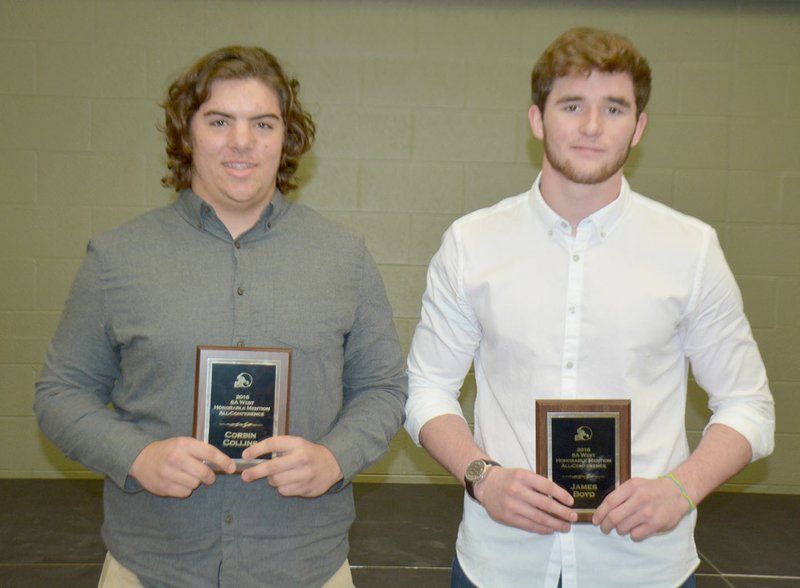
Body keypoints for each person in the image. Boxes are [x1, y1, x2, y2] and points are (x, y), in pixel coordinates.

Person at [404, 27, 775, 588]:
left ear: (639, 128)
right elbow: (427, 388)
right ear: (537, 120)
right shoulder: (472, 243)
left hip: (644, 567)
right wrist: (482, 476)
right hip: (501, 564)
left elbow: (748, 406)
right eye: (572, 105)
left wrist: (680, 490)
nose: (592, 126)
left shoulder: (690, 249)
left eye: (615, 108)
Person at [34, 46, 407, 588]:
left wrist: (334, 458)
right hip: (152, 566)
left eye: (262, 123)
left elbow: (383, 388)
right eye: (219, 121)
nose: (242, 141)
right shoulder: (117, 258)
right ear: (186, 135)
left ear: (287, 137)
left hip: (305, 565)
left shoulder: (343, 257)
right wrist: (137, 457)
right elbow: (60, 394)